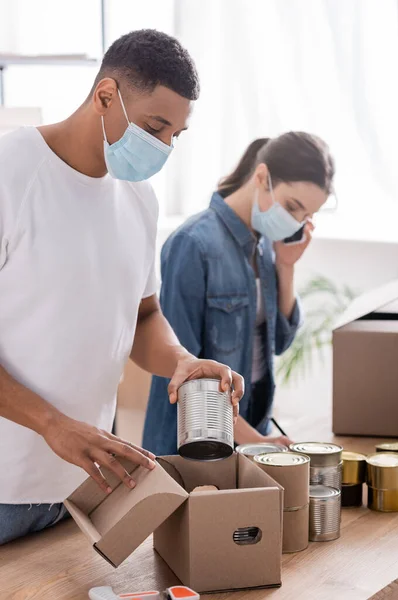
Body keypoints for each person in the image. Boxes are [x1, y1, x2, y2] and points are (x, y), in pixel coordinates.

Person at [0, 29, 244, 545]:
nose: (164, 147)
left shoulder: (138, 200)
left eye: (176, 134)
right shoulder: (10, 175)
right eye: (156, 127)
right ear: (105, 95)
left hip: (83, 491)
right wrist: (51, 424)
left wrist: (179, 360)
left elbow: (142, 316)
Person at [143, 133, 335, 455]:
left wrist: (286, 267)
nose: (293, 224)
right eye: (291, 207)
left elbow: (279, 343)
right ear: (262, 177)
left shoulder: (266, 246)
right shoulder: (193, 244)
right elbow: (183, 372)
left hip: (248, 432)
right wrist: (256, 442)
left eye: (304, 218)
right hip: (193, 439)